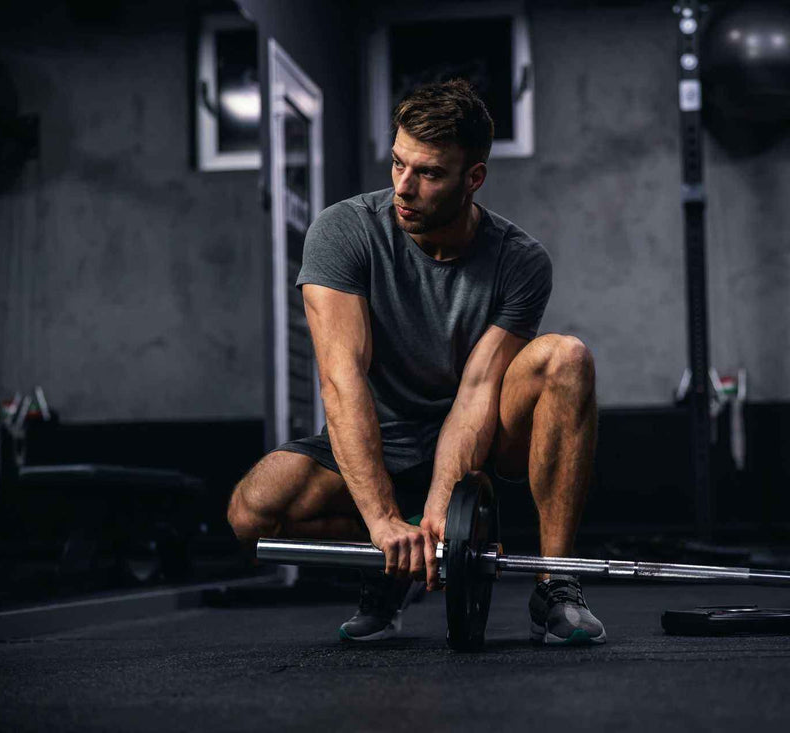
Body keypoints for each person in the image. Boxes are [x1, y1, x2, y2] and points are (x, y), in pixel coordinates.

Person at [226, 79, 605, 646]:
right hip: (376, 434)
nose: (404, 186)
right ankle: (392, 568)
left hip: (476, 438)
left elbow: (477, 391)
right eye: (398, 163)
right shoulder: (345, 231)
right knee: (252, 516)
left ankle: (557, 582)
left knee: (566, 358)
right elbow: (341, 379)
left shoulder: (520, 261)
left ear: (473, 178)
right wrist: (383, 522)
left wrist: (444, 503)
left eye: (428, 173)